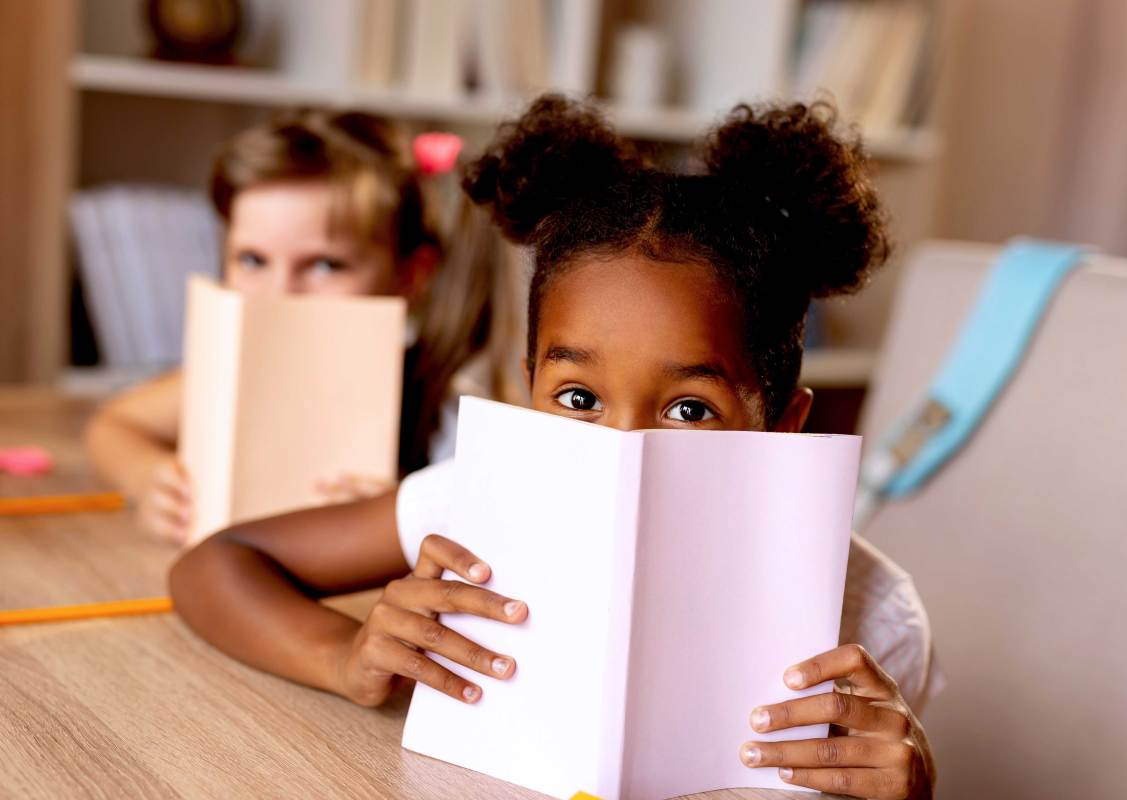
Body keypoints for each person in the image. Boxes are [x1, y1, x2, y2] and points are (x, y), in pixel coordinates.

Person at [171, 95, 937, 798]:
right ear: (529, 385)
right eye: (577, 399)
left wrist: (910, 789)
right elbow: (216, 565)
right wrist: (345, 659)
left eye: (688, 410)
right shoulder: (471, 506)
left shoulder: (874, 622)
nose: (622, 447)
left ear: (783, 425)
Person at [84, 110, 525, 543]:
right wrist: (144, 477)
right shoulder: (236, 370)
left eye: (324, 265)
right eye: (253, 260)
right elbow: (113, 424)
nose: (280, 292)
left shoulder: (447, 398)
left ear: (411, 275)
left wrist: (408, 512)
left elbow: (500, 530)